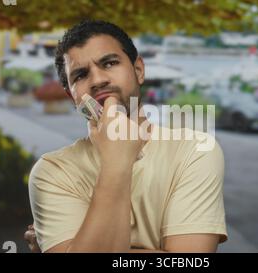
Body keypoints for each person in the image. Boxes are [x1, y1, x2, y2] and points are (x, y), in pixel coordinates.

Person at [24, 20, 227, 253]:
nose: (98, 80)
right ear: (72, 96)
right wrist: (116, 160)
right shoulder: (51, 171)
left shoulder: (195, 149)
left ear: (138, 70)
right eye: (80, 75)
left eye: (109, 63)